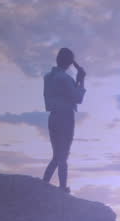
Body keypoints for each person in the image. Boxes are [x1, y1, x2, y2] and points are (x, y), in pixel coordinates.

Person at [42, 47, 86, 193]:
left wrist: (77, 81)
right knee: (63, 155)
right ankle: (62, 188)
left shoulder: (48, 77)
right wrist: (81, 81)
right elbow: (78, 98)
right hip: (65, 116)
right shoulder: (65, 79)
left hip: (53, 117)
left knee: (57, 155)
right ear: (69, 63)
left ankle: (43, 184)